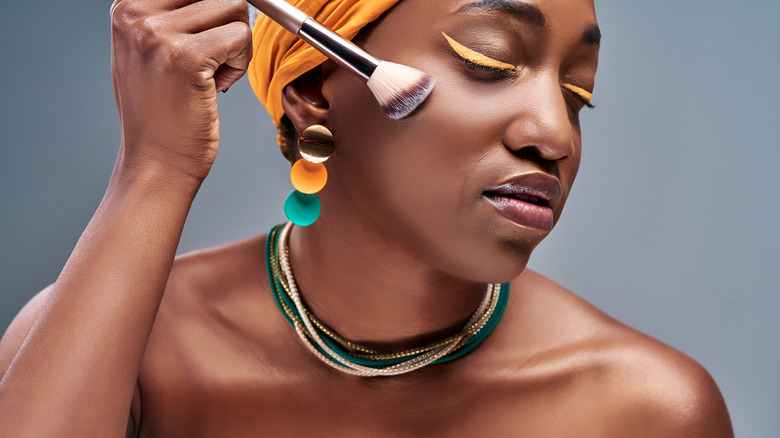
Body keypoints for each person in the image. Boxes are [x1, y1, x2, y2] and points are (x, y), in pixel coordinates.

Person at [0, 0, 734, 436]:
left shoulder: (644, 411)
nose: (555, 133)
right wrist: (155, 168)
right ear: (316, 89)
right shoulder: (114, 352)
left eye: (579, 92)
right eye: (490, 60)